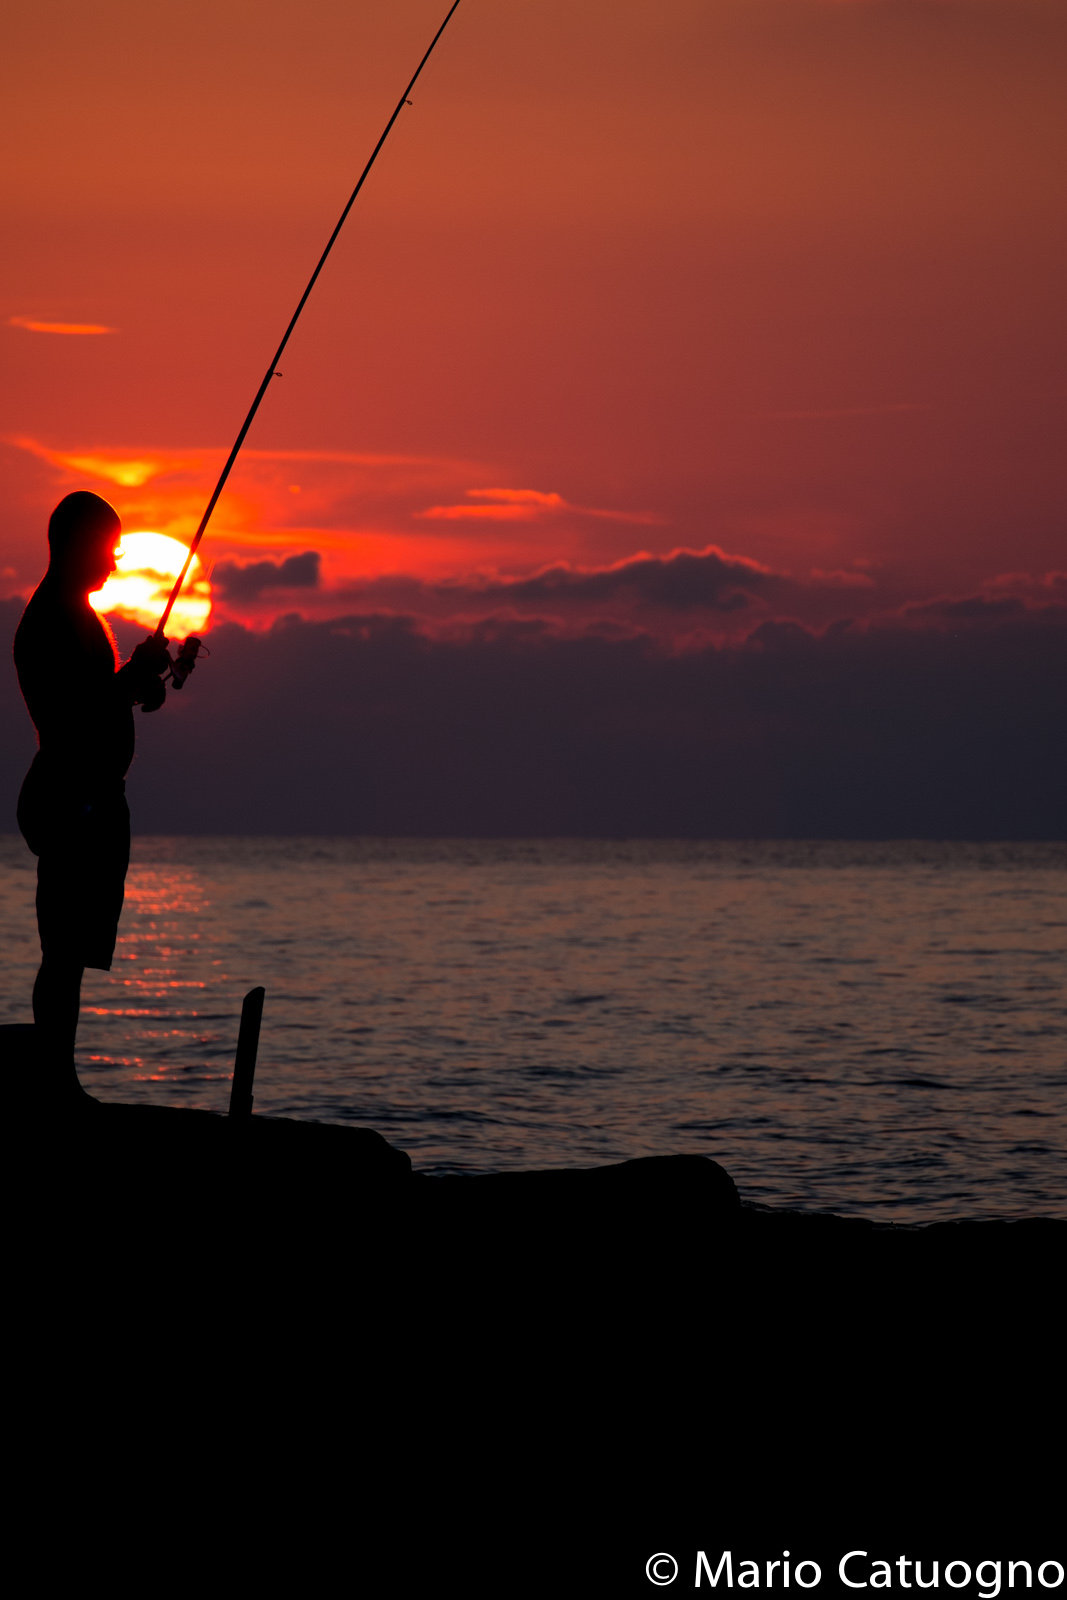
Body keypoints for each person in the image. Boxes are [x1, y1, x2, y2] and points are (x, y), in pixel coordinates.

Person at [14, 491, 172, 1106]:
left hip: (90, 802)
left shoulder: (77, 613)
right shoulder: (51, 620)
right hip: (69, 803)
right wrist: (129, 678)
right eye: (108, 549)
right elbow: (71, 716)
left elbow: (98, 697)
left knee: (72, 952)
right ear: (77, 545)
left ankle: (60, 1080)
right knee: (63, 951)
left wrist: (137, 686)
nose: (113, 562)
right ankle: (55, 1087)